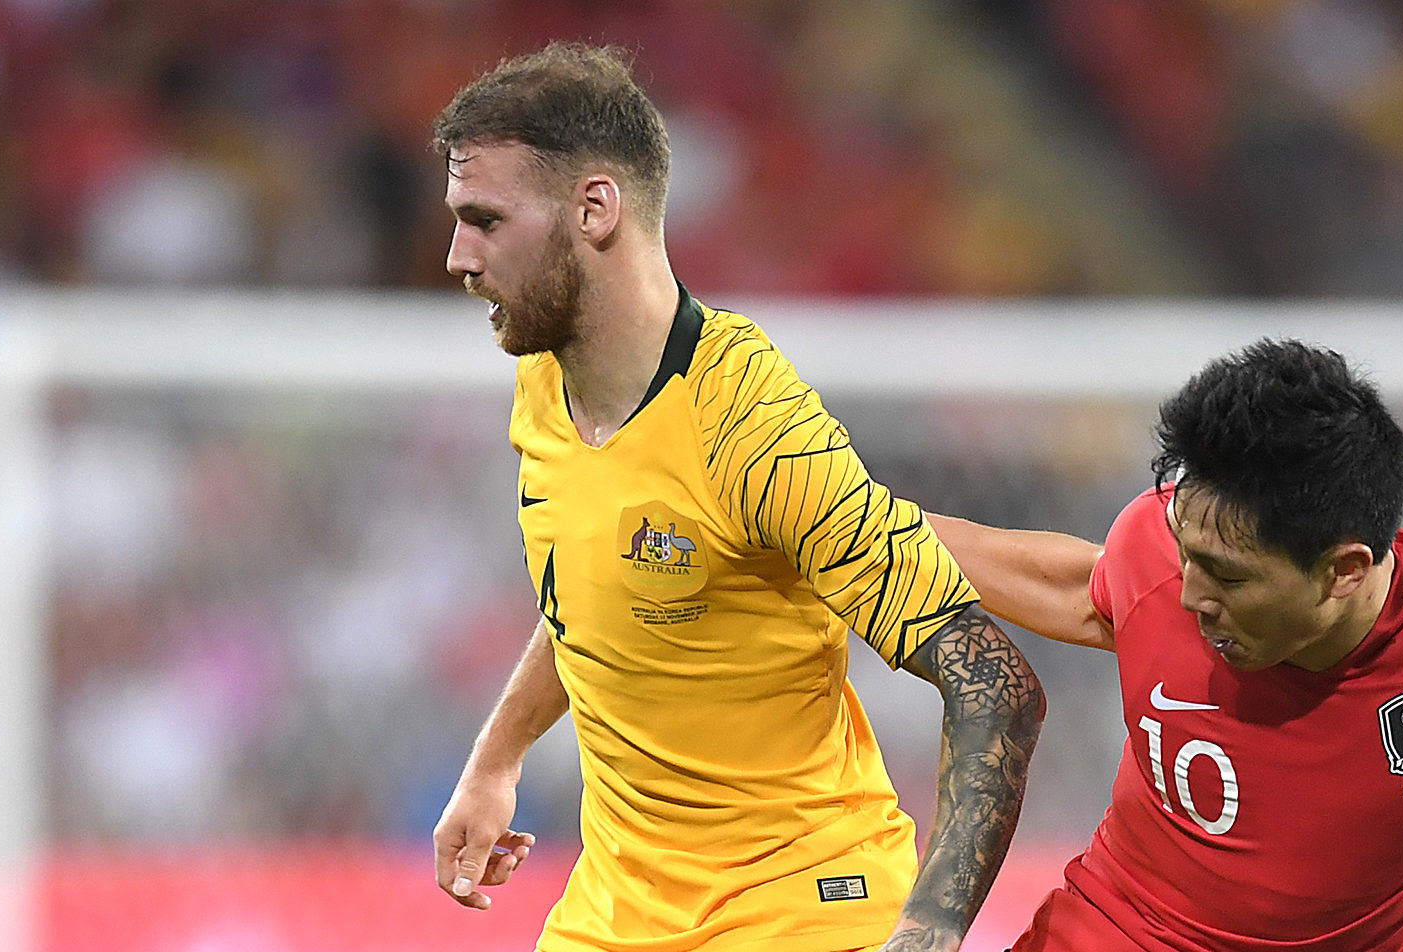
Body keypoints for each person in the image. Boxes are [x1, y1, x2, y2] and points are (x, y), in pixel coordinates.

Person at [428, 42, 1045, 952]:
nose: (456, 257)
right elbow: (594, 598)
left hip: (797, 909)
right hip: (614, 913)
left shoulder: (752, 425)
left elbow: (997, 685)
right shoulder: (543, 379)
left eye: (485, 219)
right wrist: (495, 760)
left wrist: (929, 930)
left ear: (594, 209)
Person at [926, 338, 1403, 951]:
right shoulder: (1155, 549)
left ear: (1344, 571)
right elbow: (1085, 590)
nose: (1188, 597)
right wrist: (841, 523)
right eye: (1184, 553)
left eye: (1228, 576)